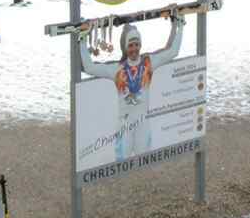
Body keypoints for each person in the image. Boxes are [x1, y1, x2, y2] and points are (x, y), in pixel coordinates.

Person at [78, 14, 186, 158]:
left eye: (136, 44)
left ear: (140, 45)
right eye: (130, 45)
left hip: (143, 122)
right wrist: (82, 38)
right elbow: (89, 67)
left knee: (144, 160)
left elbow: (173, 51)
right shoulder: (117, 69)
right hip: (125, 124)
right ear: (125, 47)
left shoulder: (149, 62)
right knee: (121, 162)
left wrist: (179, 25)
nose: (134, 49)